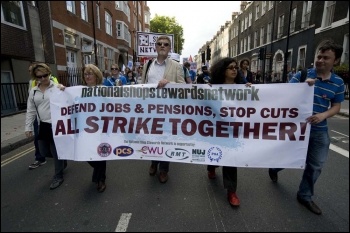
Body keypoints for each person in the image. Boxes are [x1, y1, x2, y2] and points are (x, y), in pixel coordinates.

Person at [268, 40, 345, 215]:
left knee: (316, 165)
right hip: (296, 128)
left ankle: (305, 195)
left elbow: (336, 106)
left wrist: (323, 115)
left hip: (318, 130)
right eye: (319, 56)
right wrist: (302, 86)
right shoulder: (303, 75)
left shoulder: (338, 83)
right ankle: (274, 167)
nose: (321, 60)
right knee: (288, 157)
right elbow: (285, 94)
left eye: (326, 58)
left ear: (336, 61)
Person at [207, 57, 252, 207]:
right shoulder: (213, 87)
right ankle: (211, 166)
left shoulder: (242, 86)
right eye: (230, 67)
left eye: (235, 68)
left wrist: (252, 90)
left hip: (233, 128)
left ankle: (231, 191)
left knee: (231, 158)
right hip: (216, 126)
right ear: (223, 71)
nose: (234, 70)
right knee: (214, 151)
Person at [141, 35, 185, 183]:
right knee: (152, 137)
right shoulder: (147, 66)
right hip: (150, 109)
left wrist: (170, 82)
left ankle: (164, 169)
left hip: (168, 110)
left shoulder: (176, 66)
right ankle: (154, 162)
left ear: (169, 48)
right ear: (155, 47)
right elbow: (142, 86)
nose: (162, 46)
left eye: (165, 44)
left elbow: (183, 87)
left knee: (166, 139)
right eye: (159, 44)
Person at [59, 64, 107, 192]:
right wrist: (63, 90)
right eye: (85, 74)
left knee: (101, 153)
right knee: (86, 153)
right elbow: (70, 100)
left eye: (90, 74)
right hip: (85, 128)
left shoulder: (104, 89)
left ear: (96, 76)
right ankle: (99, 174)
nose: (87, 76)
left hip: (101, 127)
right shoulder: (80, 90)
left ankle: (100, 179)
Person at [25, 63, 67, 190]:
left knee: (55, 151)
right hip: (42, 124)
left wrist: (63, 90)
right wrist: (28, 127)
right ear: (35, 77)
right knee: (43, 151)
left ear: (49, 74)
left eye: (45, 75)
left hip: (56, 124)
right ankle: (62, 160)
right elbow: (30, 110)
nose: (43, 79)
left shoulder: (57, 87)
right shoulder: (33, 91)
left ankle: (58, 176)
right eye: (39, 77)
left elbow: (68, 101)